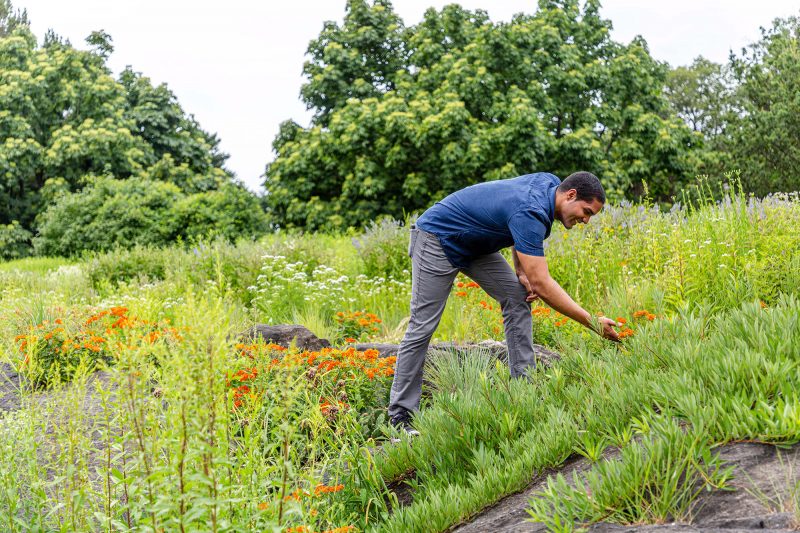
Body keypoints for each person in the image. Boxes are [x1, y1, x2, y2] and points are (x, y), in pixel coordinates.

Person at [388, 171, 621, 436]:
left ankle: (524, 392)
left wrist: (520, 270)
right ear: (570, 195)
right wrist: (592, 322)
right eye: (586, 211)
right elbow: (543, 284)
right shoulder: (532, 210)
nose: (586, 220)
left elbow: (516, 225)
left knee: (517, 296)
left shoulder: (548, 185)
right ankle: (400, 416)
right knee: (423, 325)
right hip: (437, 238)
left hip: (475, 245)